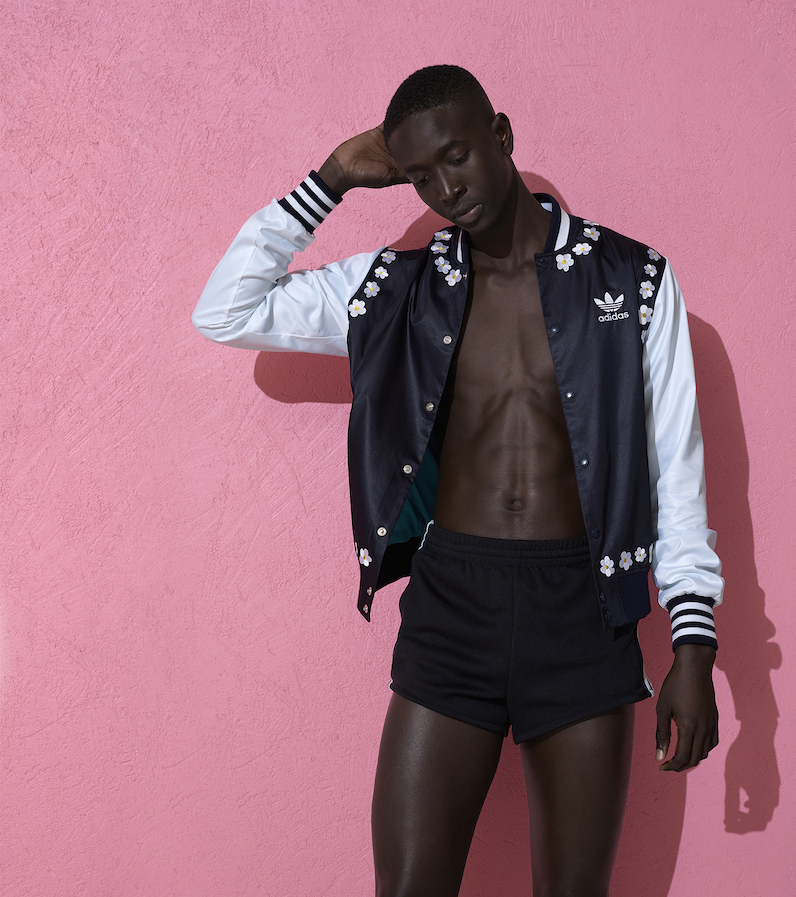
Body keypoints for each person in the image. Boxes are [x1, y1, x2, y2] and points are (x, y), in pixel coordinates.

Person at [192, 65, 724, 897]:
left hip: (583, 616)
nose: (446, 189)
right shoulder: (396, 290)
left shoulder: (634, 279)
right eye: (421, 175)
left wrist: (694, 645)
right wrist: (330, 178)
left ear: (500, 134)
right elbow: (227, 310)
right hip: (452, 610)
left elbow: (677, 474)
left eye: (458, 157)